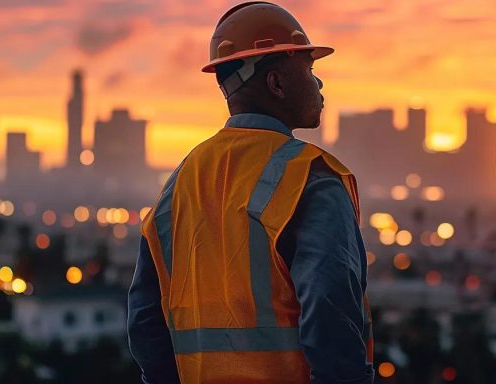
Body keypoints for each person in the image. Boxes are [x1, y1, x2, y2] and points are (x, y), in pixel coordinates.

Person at [127, 2, 374, 383]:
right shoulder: (309, 177)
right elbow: (331, 318)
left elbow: (146, 321)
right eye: (308, 69)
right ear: (276, 83)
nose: (319, 83)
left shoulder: (178, 185)